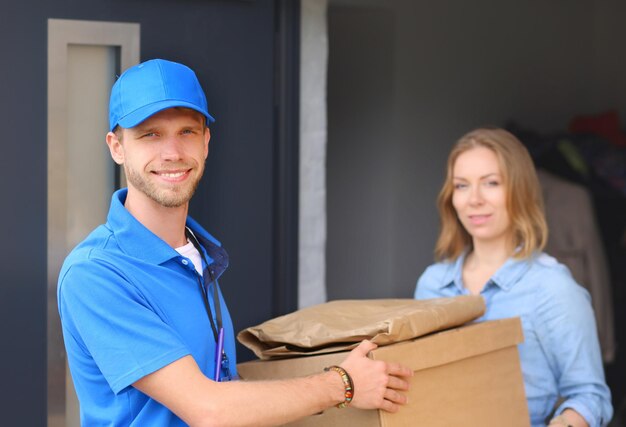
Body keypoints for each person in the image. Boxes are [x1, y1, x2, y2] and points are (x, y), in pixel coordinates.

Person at [57, 58, 412, 426]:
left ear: (206, 142)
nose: (173, 153)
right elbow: (210, 409)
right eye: (151, 134)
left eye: (187, 132)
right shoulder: (96, 274)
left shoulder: (197, 254)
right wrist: (343, 384)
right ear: (117, 147)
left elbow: (224, 387)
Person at [414, 128, 612, 427]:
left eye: (491, 183)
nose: (474, 199)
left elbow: (590, 395)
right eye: (462, 185)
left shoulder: (552, 288)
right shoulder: (432, 283)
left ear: (520, 191)